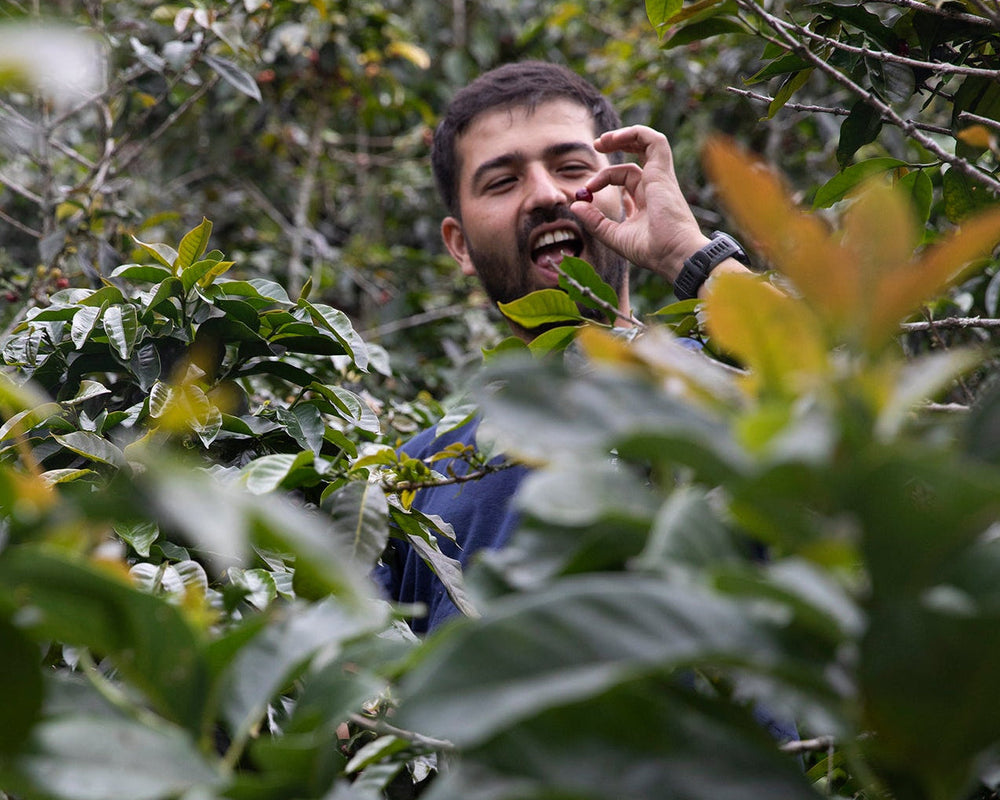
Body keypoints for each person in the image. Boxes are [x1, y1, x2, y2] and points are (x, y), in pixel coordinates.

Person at [373, 60, 754, 633]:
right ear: (460, 246)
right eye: (502, 181)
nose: (546, 195)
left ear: (624, 195)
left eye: (572, 167)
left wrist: (687, 254)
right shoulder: (417, 479)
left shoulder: (732, 390)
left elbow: (859, 417)